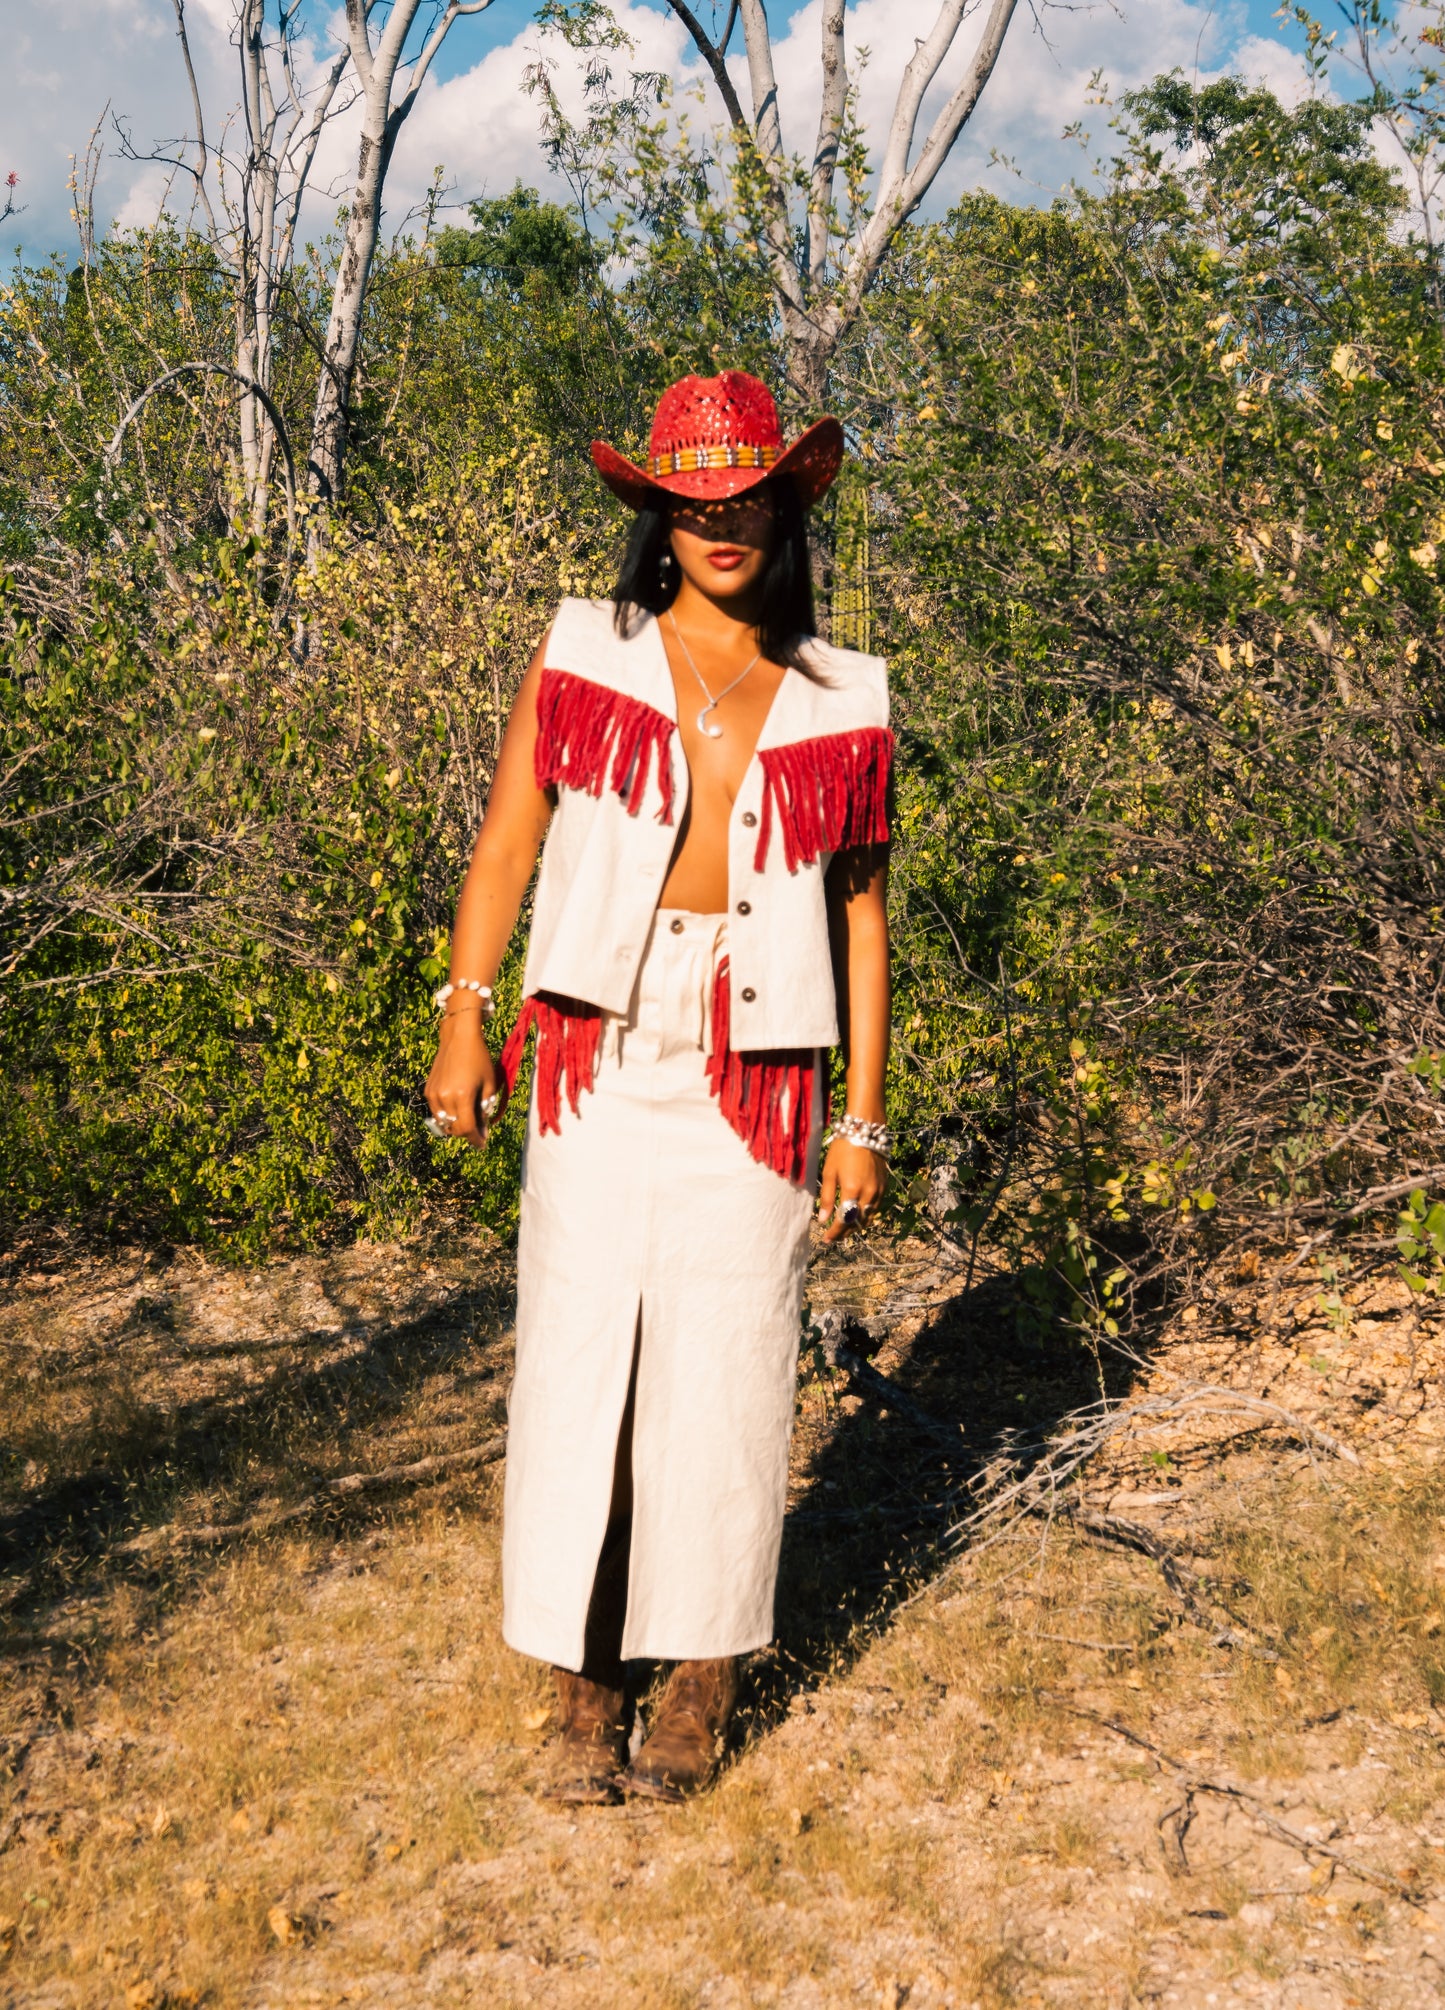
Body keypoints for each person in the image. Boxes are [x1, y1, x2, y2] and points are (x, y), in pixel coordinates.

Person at [423, 370, 893, 1804]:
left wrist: (861, 1115)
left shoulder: (843, 690)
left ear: (787, 506)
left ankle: (696, 1677)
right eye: (692, 500)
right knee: (578, 1357)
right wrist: (464, 1013)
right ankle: (581, 1684)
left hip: (755, 1071)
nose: (720, 522)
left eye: (745, 495)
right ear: (657, 514)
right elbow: (506, 844)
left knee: (732, 1362)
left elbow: (862, 916)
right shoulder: (584, 648)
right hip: (593, 1055)